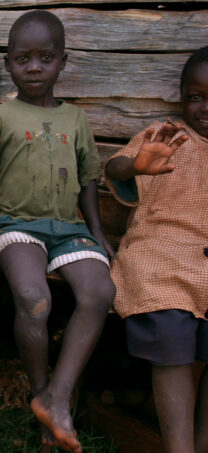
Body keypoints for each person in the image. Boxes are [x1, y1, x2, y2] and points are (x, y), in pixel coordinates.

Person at [0, 10, 116, 453]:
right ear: (8, 63)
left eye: (45, 58)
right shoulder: (1, 115)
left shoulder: (77, 119)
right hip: (16, 225)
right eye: (23, 59)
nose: (34, 67)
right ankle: (41, 388)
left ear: (63, 61)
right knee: (33, 298)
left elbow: (89, 179)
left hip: (68, 229)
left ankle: (56, 398)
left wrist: (96, 231)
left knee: (99, 293)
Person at [104, 46, 208, 453]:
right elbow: (115, 168)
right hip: (157, 253)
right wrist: (135, 167)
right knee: (169, 321)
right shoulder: (164, 134)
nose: (204, 107)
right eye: (195, 96)